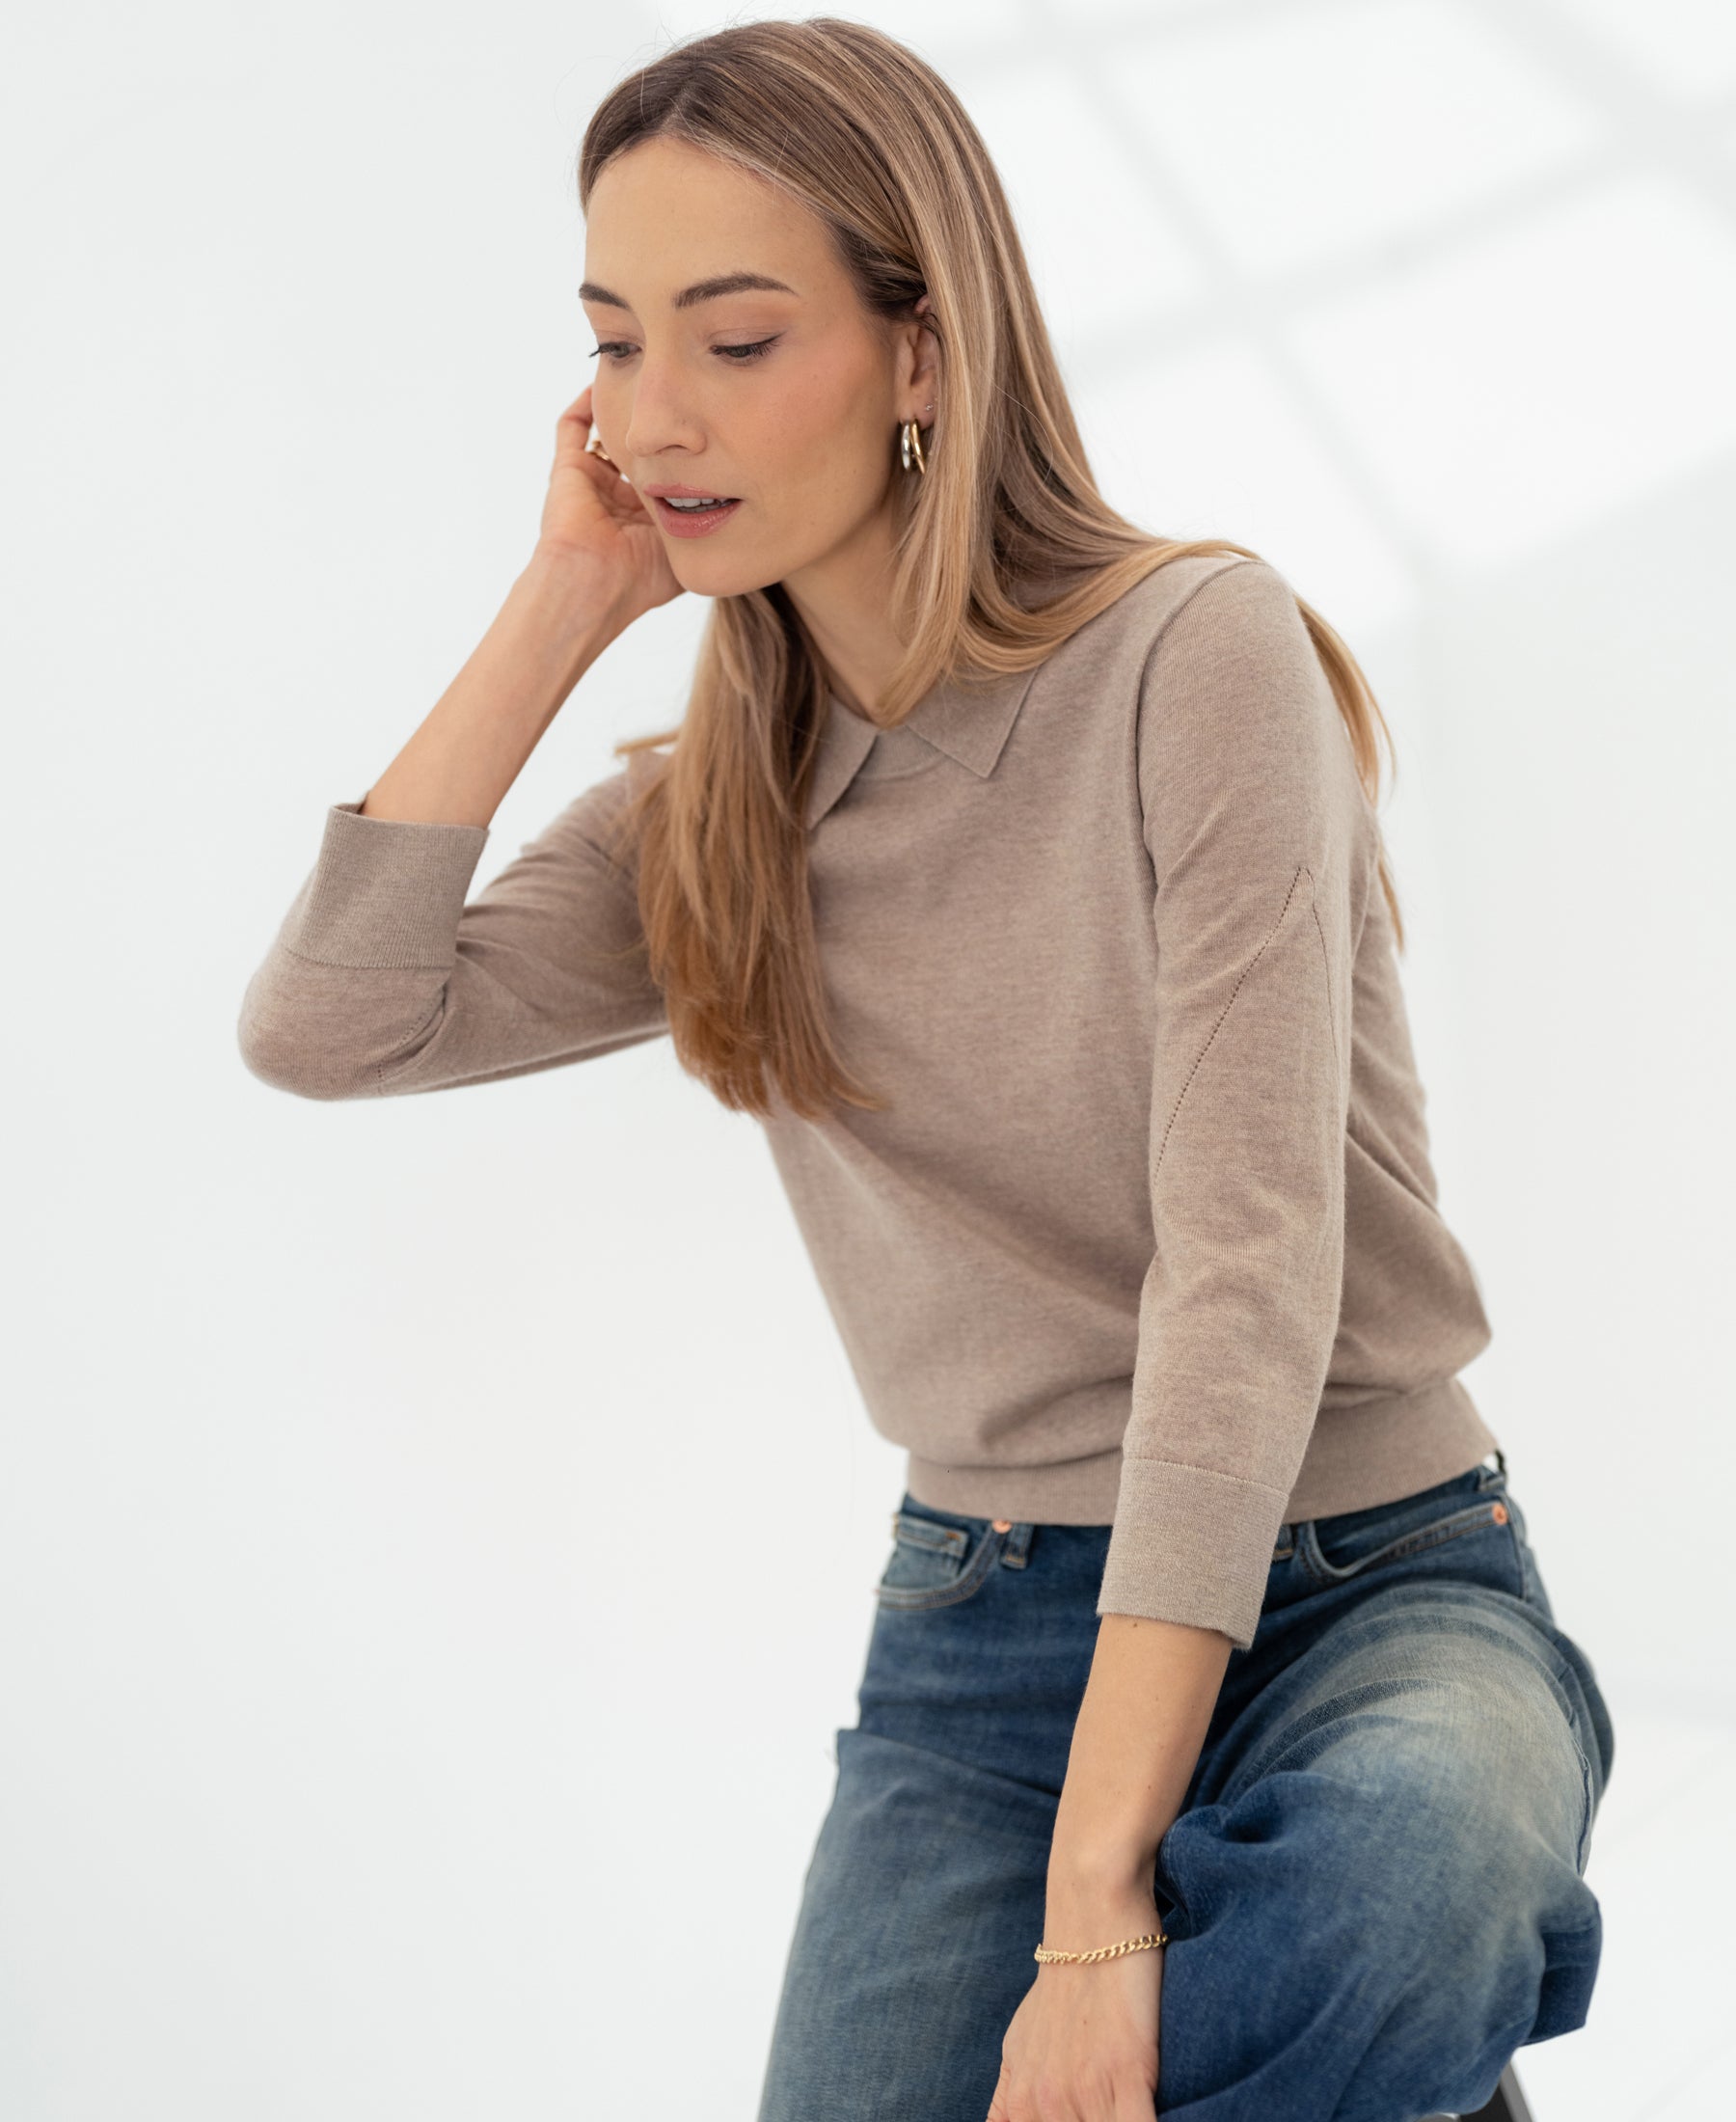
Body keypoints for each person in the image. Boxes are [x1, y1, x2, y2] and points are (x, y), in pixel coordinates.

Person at [236, 19, 1615, 2121]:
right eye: (613, 344)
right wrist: (565, 596)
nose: (655, 414)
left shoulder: (1192, 654)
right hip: (985, 1632)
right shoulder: (710, 813)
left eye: (735, 338)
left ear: (922, 352)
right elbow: (328, 1025)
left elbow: (1245, 1279)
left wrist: (1098, 1911)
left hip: (1365, 1569)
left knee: (1405, 1901)